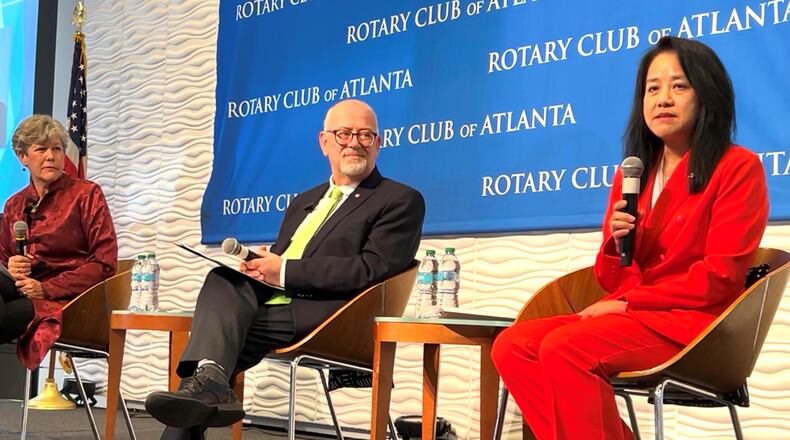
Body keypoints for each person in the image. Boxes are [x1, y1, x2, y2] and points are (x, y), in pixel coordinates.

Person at [491, 36, 769, 440]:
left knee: (564, 348)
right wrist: (616, 243)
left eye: (679, 86)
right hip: (636, 315)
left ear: (707, 93)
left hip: (696, 327)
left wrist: (628, 303)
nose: (663, 99)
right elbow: (614, 279)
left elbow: (720, 276)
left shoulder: (738, 167)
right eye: (652, 88)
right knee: (512, 347)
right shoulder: (631, 175)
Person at [145, 99, 425, 438]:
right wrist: (263, 266)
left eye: (365, 134)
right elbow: (283, 259)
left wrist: (285, 271)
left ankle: (206, 386)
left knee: (220, 342)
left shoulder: (398, 199)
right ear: (324, 142)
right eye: (343, 133)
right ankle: (211, 382)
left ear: (378, 143)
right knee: (223, 278)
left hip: (334, 314)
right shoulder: (304, 200)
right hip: (278, 301)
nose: (354, 142)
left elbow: (372, 269)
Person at [0, 115, 117, 369]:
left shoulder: (86, 194)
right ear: (23, 157)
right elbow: (2, 259)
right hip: (18, 292)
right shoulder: (14, 204)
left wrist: (46, 288)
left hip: (69, 302)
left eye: (56, 149)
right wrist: (10, 266)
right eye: (41, 149)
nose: (50, 156)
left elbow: (104, 263)